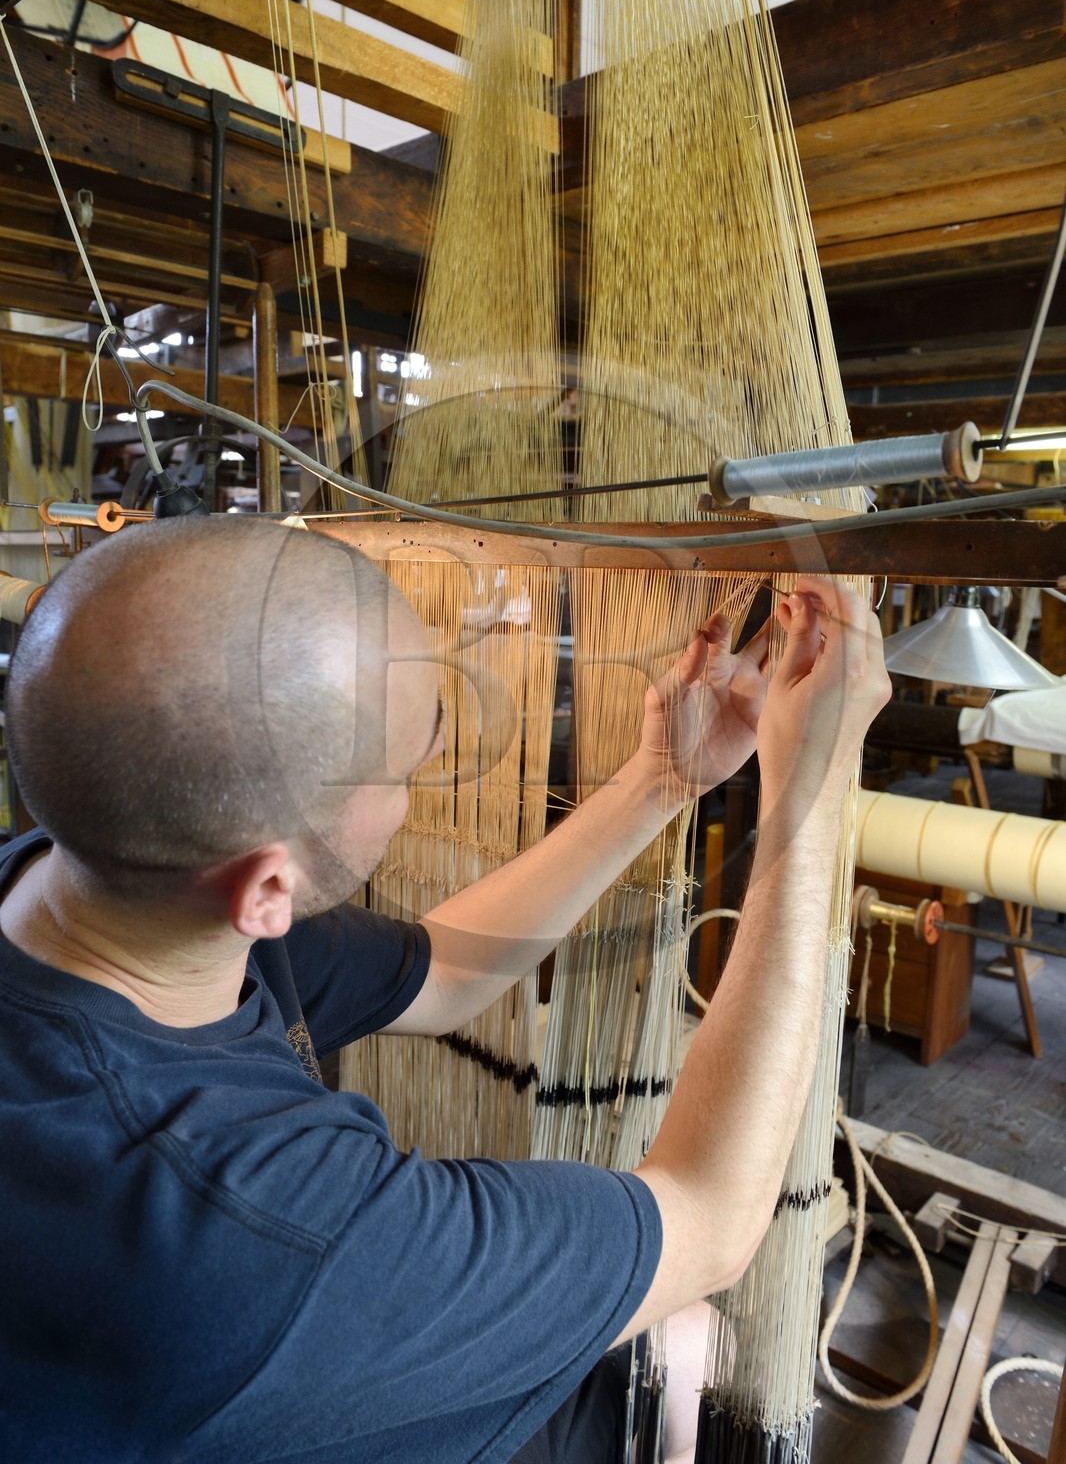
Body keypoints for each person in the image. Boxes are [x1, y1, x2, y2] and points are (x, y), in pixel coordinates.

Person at [0, 516, 889, 1463]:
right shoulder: (253, 1221)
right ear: (267, 889)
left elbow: (448, 970)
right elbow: (709, 1219)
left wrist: (663, 779)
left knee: (679, 1345)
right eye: (405, 759)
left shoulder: (97, 897)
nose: (431, 759)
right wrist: (812, 795)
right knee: (692, 1354)